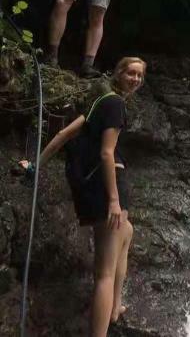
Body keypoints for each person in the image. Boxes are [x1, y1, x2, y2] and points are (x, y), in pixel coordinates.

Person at [21, 57, 146, 337]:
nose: (135, 79)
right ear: (119, 73)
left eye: (140, 75)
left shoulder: (100, 102)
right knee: (104, 271)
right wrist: (114, 200)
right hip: (105, 189)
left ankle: (115, 307)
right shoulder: (116, 105)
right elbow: (106, 152)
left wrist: (35, 166)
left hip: (91, 189)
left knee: (127, 231)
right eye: (131, 73)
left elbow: (64, 134)